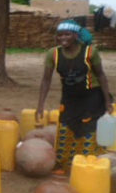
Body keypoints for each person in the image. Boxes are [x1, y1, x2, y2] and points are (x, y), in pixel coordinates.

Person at [36, 20, 112, 173]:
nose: (62, 38)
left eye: (67, 34)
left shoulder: (90, 52)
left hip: (92, 97)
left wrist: (107, 101)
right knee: (65, 128)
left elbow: (101, 76)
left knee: (88, 130)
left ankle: (87, 166)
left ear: (75, 35)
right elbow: (46, 80)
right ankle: (63, 164)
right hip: (69, 97)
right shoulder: (53, 54)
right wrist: (40, 104)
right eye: (59, 35)